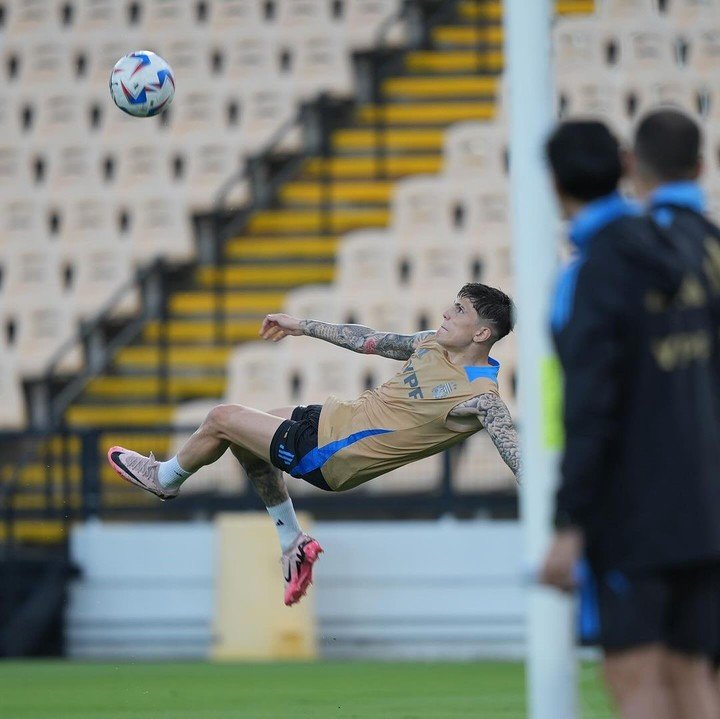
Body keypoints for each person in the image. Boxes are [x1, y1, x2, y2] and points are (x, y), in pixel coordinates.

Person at [108, 282, 520, 606]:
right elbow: (369, 339)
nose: (448, 312)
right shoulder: (432, 343)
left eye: (460, 310)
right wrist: (302, 325)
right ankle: (292, 541)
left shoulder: (481, 397)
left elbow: (517, 457)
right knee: (246, 438)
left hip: (334, 456)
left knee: (222, 418)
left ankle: (165, 478)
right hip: (328, 418)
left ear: (482, 332)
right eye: (453, 304)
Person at [539, 119, 720, 719]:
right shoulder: (684, 247)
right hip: (701, 498)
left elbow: (590, 407)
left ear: (553, 183)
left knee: (636, 683)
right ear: (621, 164)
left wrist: (569, 522)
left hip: (634, 510)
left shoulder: (590, 273)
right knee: (693, 679)